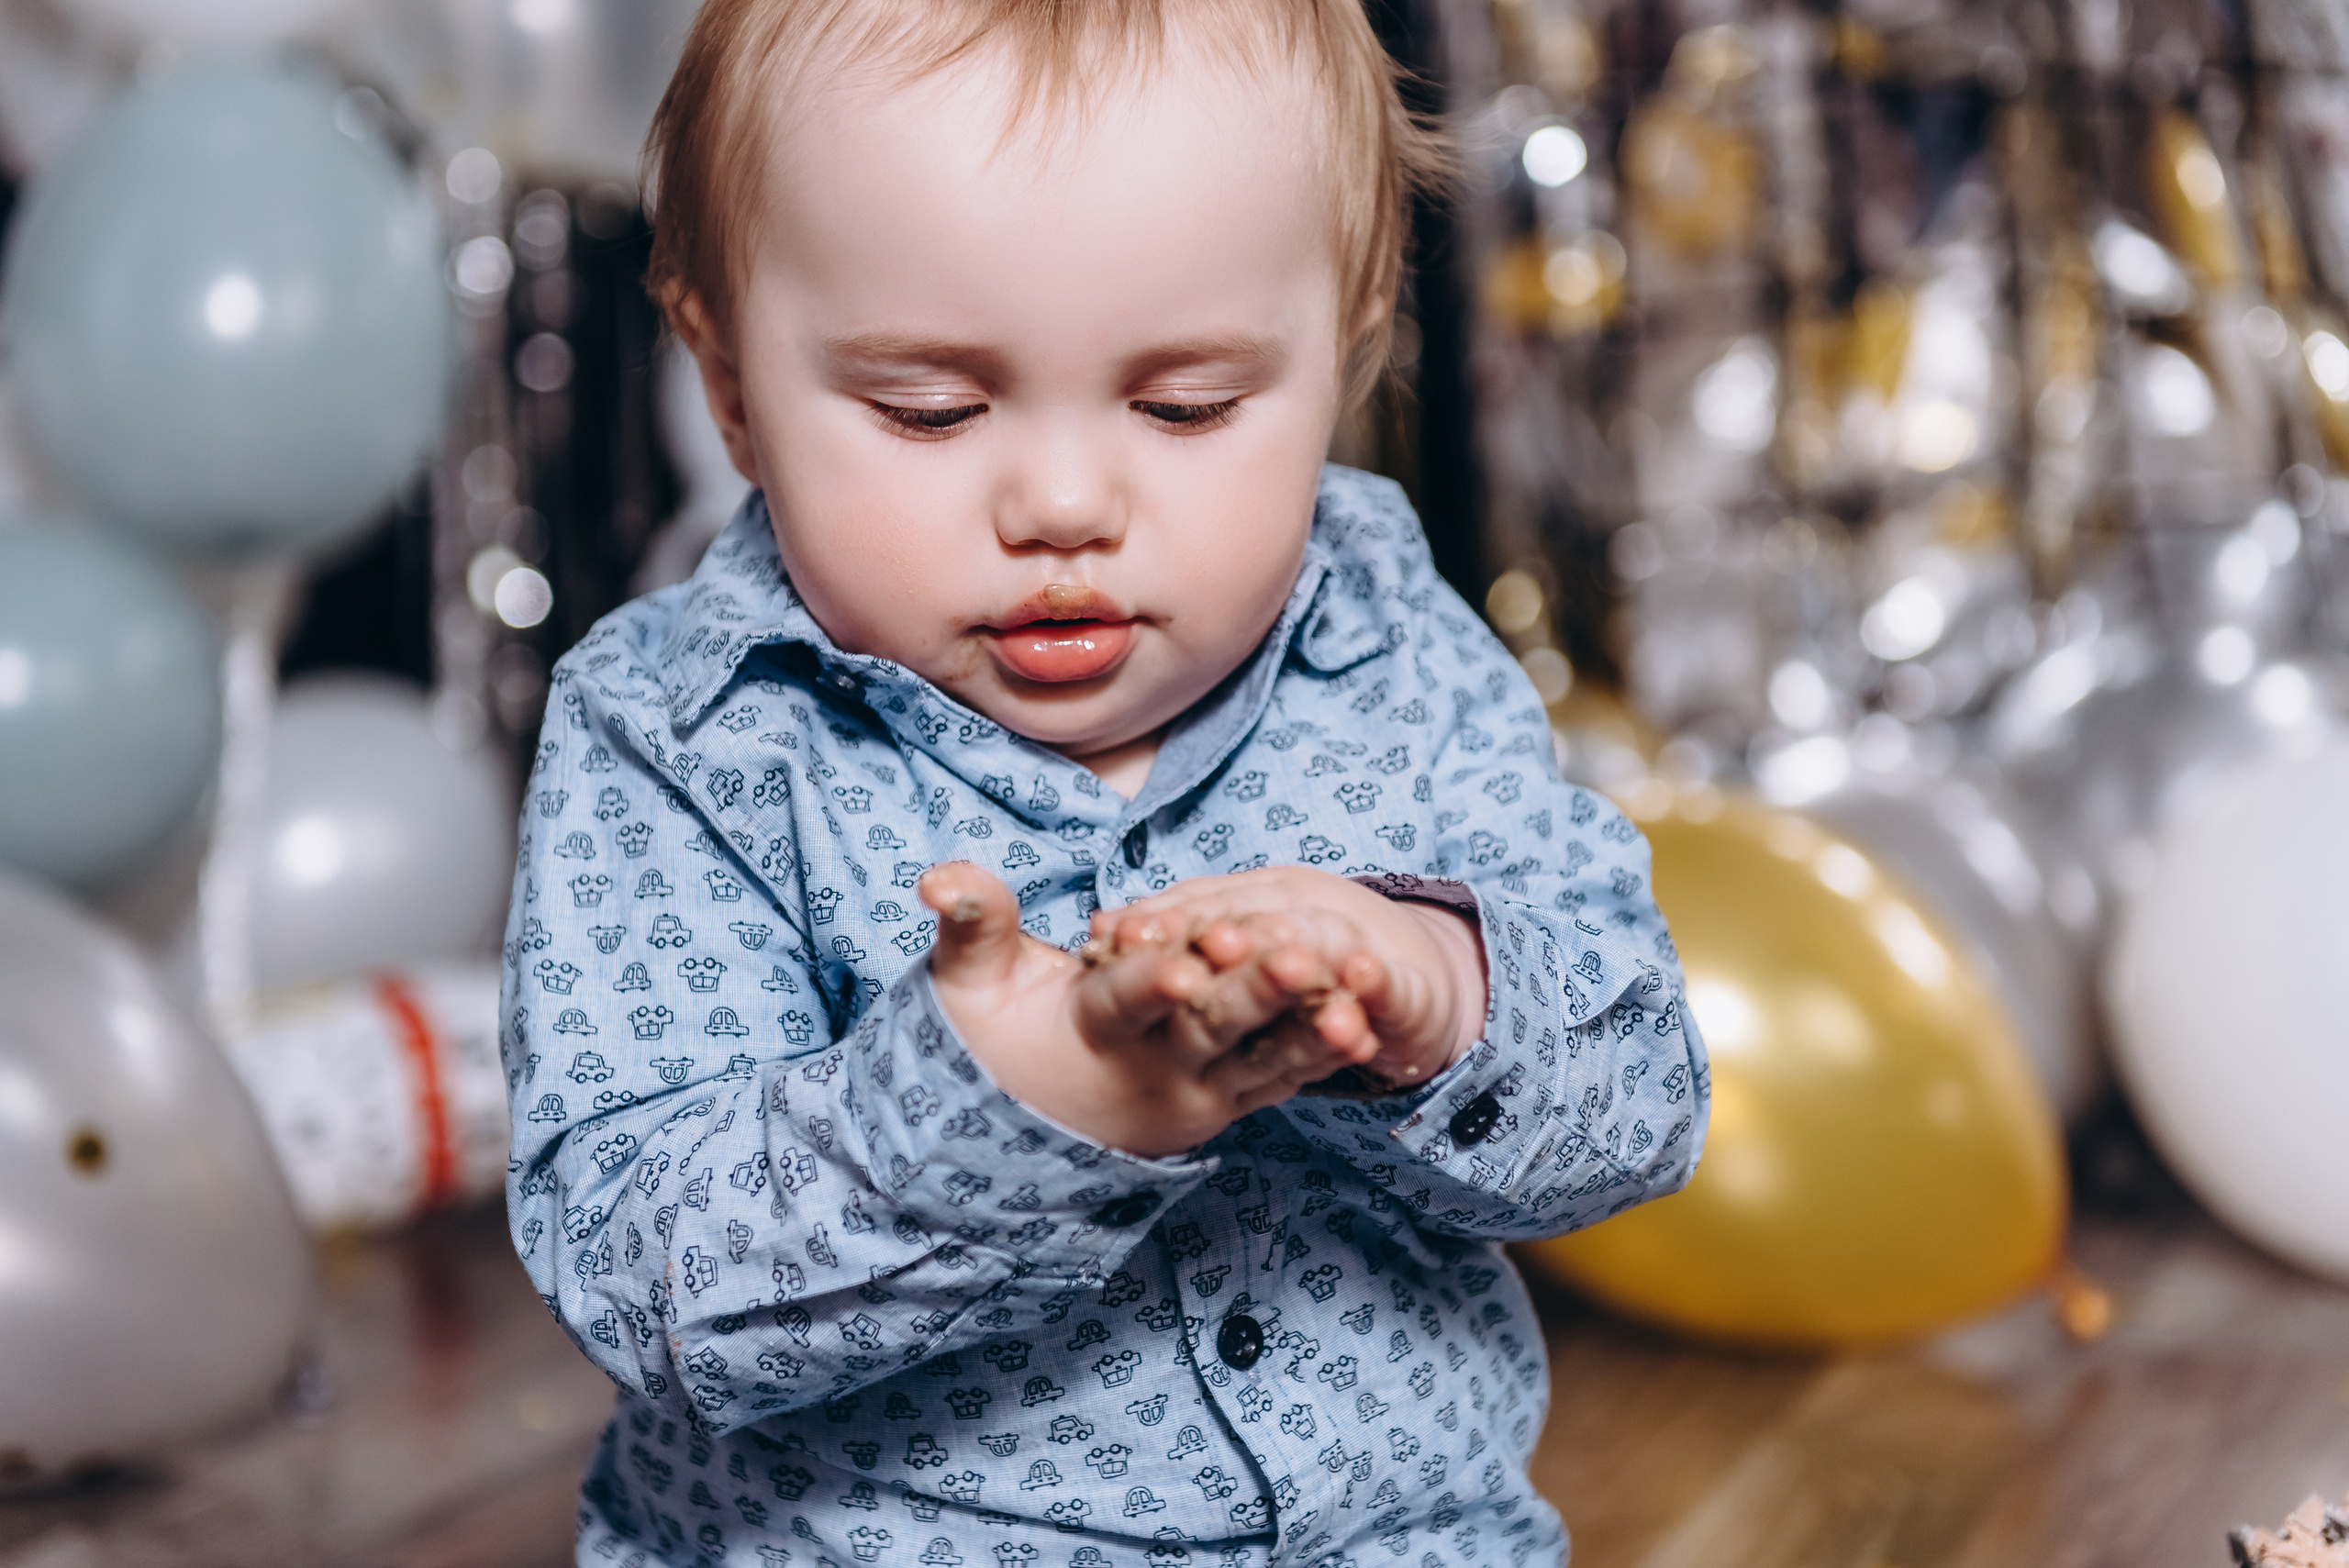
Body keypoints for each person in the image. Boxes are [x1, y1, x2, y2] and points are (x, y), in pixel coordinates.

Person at [501, 3, 1709, 1564]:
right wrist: (1019, 1104)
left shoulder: (1391, 640)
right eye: (930, 411)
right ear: (728, 382)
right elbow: (644, 1273)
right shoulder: (679, 738)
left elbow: (1643, 1103)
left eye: (1186, 405)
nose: (1065, 503)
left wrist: (1445, 988)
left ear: (1346, 340)